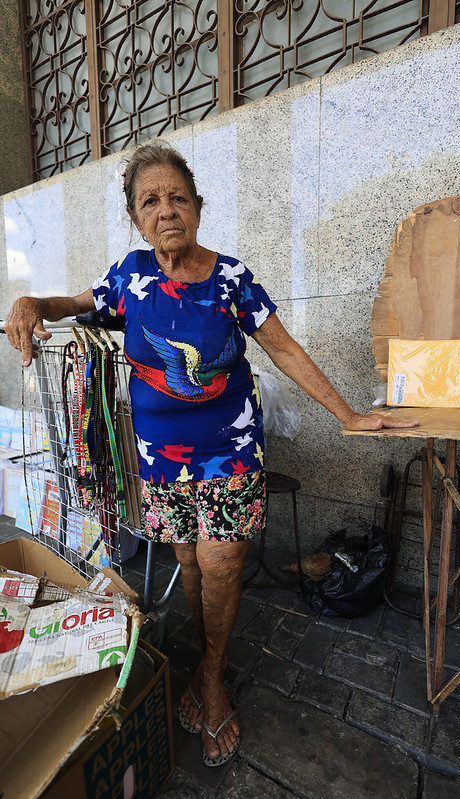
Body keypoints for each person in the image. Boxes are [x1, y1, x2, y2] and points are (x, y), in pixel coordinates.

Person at [5, 140, 418, 767]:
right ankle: (203, 661)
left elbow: (283, 349)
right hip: (161, 459)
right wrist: (32, 303)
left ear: (197, 207)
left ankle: (214, 674)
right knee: (189, 565)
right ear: (137, 218)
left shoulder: (231, 280)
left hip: (228, 453)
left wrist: (348, 414)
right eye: (151, 201)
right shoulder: (131, 277)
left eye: (178, 197)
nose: (166, 210)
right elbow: (76, 305)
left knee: (221, 562)